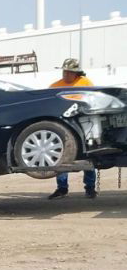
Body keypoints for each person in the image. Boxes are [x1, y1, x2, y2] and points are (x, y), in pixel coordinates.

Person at [48, 58, 97, 199]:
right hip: (64, 124)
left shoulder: (86, 83)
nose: (66, 75)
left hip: (84, 123)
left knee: (88, 156)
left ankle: (90, 188)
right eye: (65, 72)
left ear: (76, 73)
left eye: (69, 72)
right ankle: (62, 188)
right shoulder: (55, 86)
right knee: (63, 156)